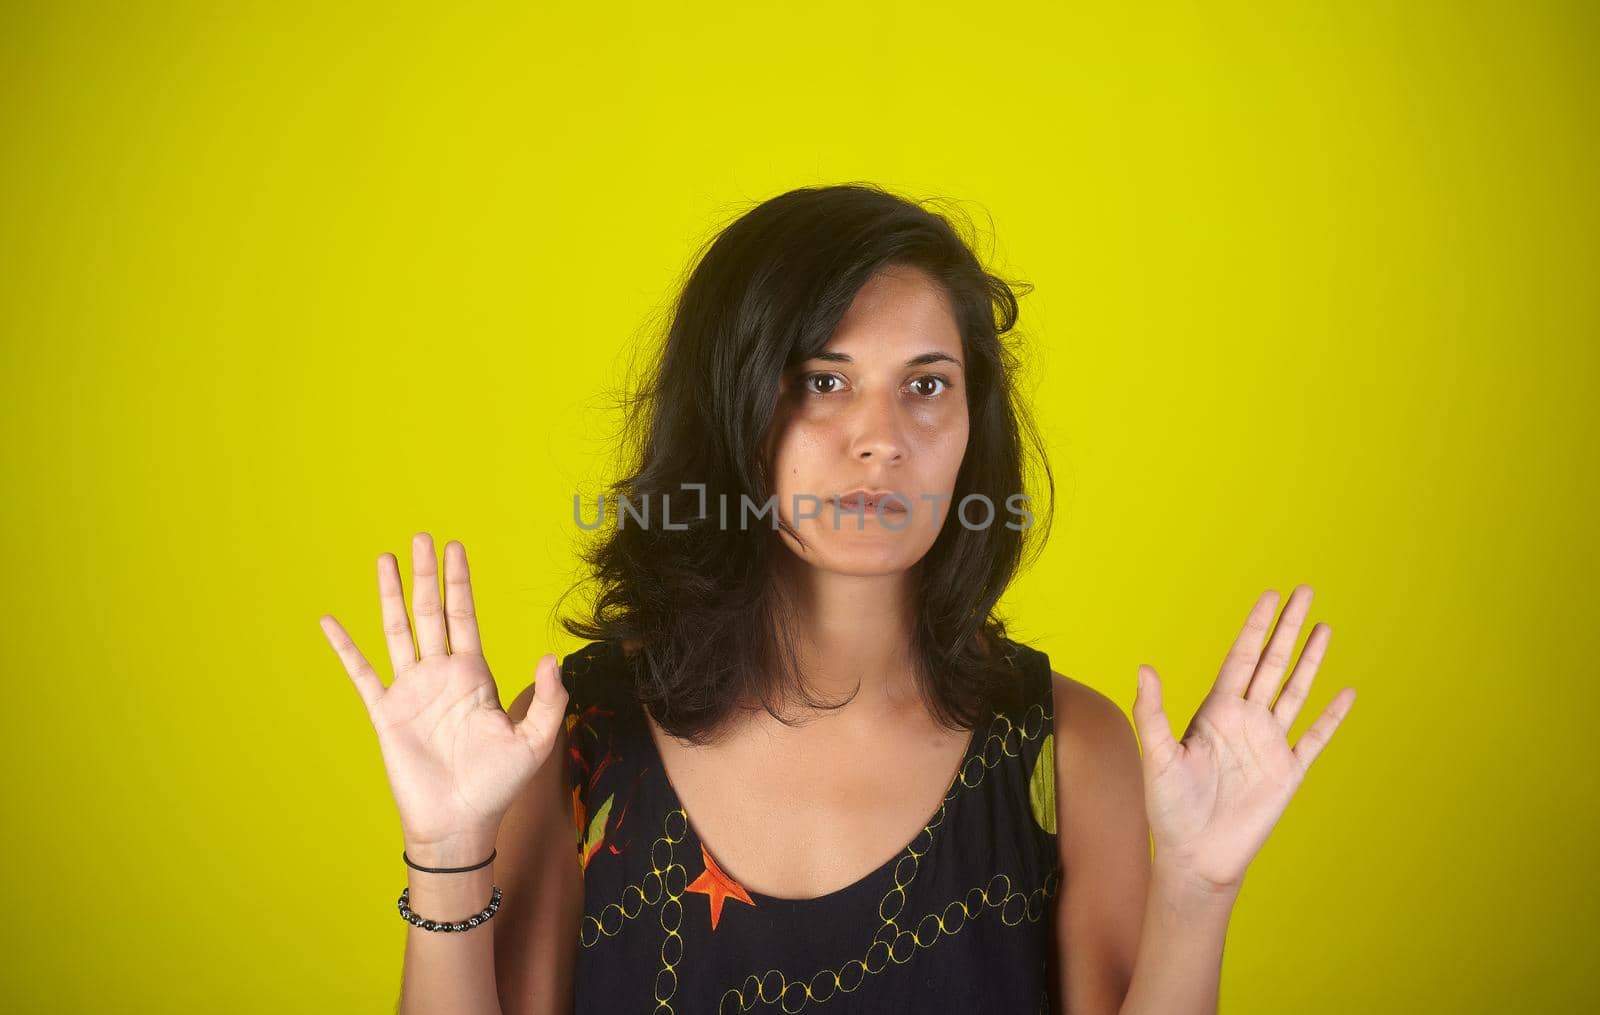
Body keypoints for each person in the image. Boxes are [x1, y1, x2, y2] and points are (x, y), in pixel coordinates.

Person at [318, 183, 1357, 1014]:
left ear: (969, 427)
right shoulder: (577, 740)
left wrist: (1197, 888)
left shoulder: (1068, 750)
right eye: (821, 380)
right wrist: (450, 852)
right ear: (732, 413)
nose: (880, 435)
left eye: (925, 383)